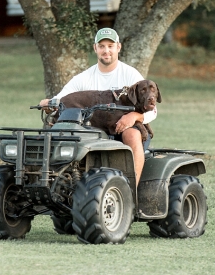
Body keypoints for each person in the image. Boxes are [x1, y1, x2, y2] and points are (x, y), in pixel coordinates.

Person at [39, 28, 156, 187]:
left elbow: (152, 111)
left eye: (110, 46)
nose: (106, 50)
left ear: (118, 47)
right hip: (96, 131)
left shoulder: (130, 74)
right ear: (95, 48)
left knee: (131, 134)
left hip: (125, 130)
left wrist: (134, 116)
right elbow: (62, 97)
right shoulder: (84, 78)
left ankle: (130, 191)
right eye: (101, 46)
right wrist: (49, 102)